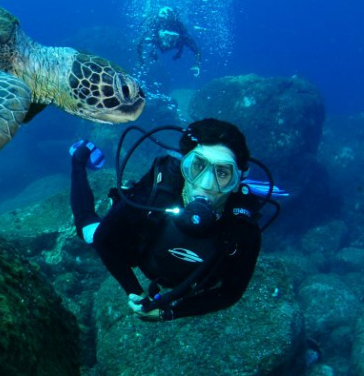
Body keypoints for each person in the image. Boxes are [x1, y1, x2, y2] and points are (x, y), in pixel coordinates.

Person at [70, 119, 263, 321]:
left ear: (236, 182)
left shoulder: (242, 228)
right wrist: (136, 293)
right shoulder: (159, 193)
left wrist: (169, 313)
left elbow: (230, 292)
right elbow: (103, 240)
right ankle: (79, 158)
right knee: (87, 228)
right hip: (141, 254)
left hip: (178, 276)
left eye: (222, 173)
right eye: (197, 165)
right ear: (183, 165)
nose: (206, 184)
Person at [137, 6, 202, 77]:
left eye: (172, 37)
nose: (169, 39)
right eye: (167, 36)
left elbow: (196, 49)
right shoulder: (153, 33)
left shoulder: (181, 34)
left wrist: (197, 64)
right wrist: (141, 60)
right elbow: (140, 43)